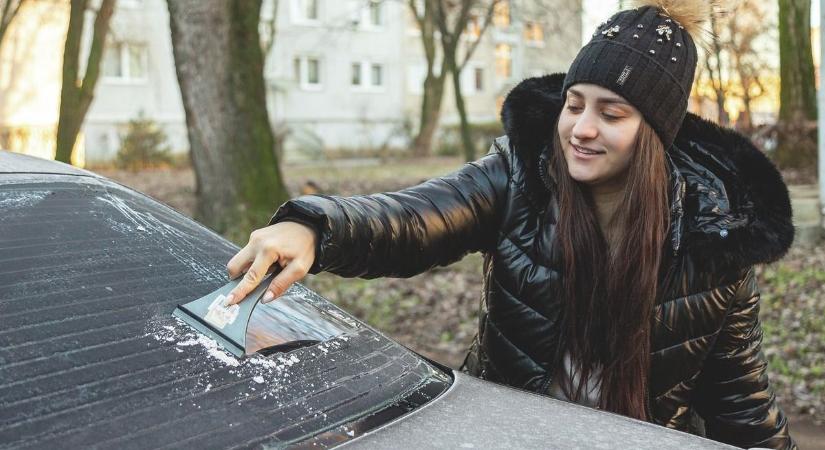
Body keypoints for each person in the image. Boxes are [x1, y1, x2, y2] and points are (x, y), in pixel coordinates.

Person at [224, 0, 796, 448]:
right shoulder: (522, 174)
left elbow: (740, 398)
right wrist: (315, 228)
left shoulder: (715, 239)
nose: (581, 129)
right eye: (574, 104)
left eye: (611, 113)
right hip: (504, 431)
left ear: (656, 133)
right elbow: (414, 217)